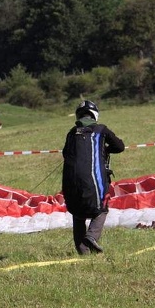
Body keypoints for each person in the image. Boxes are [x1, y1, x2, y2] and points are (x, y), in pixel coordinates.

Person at [62, 100, 125, 255]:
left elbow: (65, 153)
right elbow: (119, 146)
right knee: (101, 210)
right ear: (94, 114)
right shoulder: (101, 129)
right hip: (92, 179)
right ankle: (91, 236)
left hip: (69, 183)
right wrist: (105, 150)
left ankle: (82, 251)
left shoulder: (72, 132)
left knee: (78, 214)